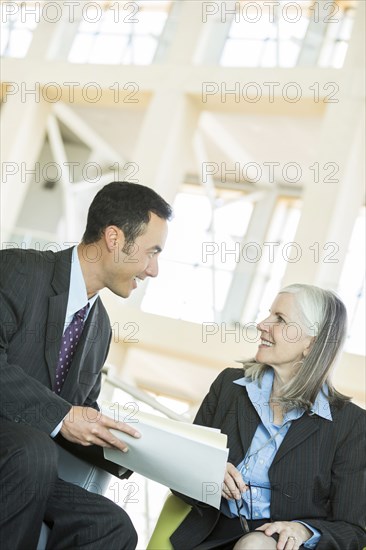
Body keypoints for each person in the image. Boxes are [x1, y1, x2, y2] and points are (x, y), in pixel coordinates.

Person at [0, 181, 172, 550]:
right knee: (34, 450)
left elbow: (81, 413)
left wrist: (147, 451)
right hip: (20, 453)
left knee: (113, 527)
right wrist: (63, 416)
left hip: (30, 465)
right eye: (151, 252)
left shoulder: (100, 328)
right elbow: (64, 415)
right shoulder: (17, 269)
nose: (153, 270)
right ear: (114, 237)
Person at [170, 284, 366, 550]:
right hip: (208, 534)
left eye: (280, 319)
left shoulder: (351, 425)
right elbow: (178, 474)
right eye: (268, 314)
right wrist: (206, 472)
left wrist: (304, 531)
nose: (262, 325)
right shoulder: (229, 386)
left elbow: (353, 529)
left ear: (312, 343)